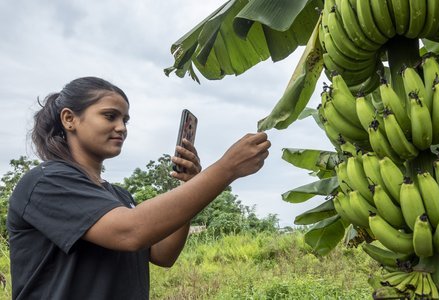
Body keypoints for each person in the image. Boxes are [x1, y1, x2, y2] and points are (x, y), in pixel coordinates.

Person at [7, 76, 271, 299]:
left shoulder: (118, 196)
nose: (121, 127)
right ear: (69, 119)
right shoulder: (46, 182)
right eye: (110, 116)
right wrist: (226, 169)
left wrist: (189, 184)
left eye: (125, 120)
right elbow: (131, 231)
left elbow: (163, 254)